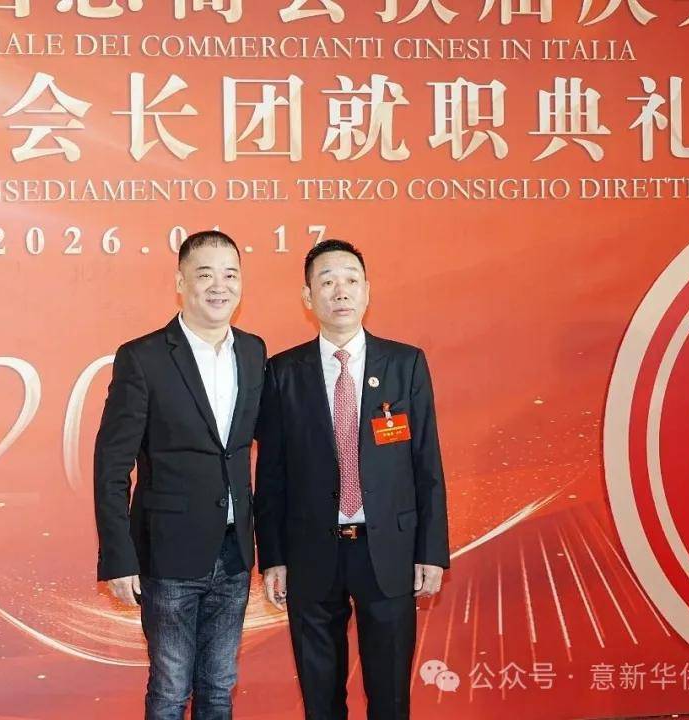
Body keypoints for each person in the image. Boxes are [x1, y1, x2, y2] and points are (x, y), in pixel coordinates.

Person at [254, 239, 450, 720]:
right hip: (310, 552)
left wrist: (430, 551)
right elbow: (271, 473)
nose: (339, 291)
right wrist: (273, 556)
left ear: (367, 291)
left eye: (350, 280)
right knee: (321, 698)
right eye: (326, 282)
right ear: (308, 297)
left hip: (388, 550)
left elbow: (427, 463)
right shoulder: (282, 372)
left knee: (390, 696)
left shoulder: (404, 364)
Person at [93, 230, 266, 720]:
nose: (219, 286)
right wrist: (118, 557)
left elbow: (264, 454)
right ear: (180, 282)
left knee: (220, 688)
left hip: (235, 552)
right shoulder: (143, 357)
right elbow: (112, 465)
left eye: (230, 274)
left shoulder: (253, 352)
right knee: (170, 690)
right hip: (167, 553)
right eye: (204, 274)